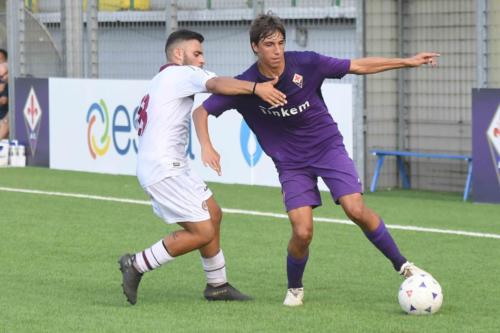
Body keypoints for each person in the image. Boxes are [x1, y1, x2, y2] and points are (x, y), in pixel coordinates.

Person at [192, 14, 439, 307]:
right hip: (291, 163)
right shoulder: (245, 85)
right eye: (269, 44)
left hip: (326, 147)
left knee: (355, 208)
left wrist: (407, 62)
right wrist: (207, 146)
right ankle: (295, 288)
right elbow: (201, 111)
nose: (277, 50)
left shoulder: (306, 63)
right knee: (302, 230)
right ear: (254, 47)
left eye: (281, 43)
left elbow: (357, 66)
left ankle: (403, 265)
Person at [119, 29, 286, 305]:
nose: (201, 60)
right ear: (178, 54)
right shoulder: (179, 73)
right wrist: (257, 88)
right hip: (163, 170)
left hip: (174, 166)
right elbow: (218, 83)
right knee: (203, 232)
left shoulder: (163, 79)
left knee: (213, 213)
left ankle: (217, 285)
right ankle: (136, 264)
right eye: (197, 54)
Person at [0, 63, 9, 140]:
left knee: (5, 121)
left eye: (4, 75)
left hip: (6, 116)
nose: (3, 78)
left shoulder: (13, 83)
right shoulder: (3, 82)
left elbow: (4, 101)